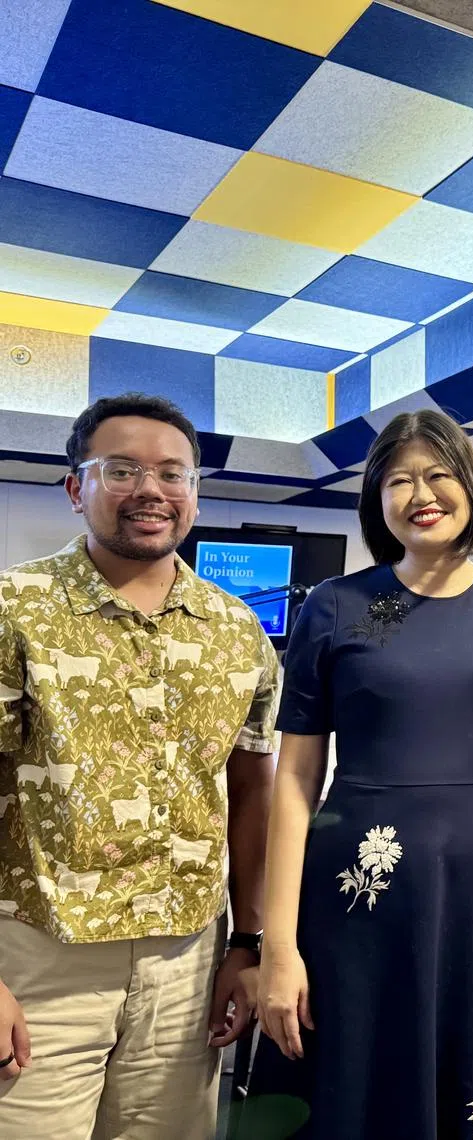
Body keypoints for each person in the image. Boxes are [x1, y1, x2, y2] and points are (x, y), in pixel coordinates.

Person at [240, 409, 473, 1139]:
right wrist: (279, 947)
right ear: (377, 500)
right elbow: (294, 785)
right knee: (353, 1092)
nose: (422, 493)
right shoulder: (337, 607)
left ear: (471, 487)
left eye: (439, 474)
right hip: (356, 899)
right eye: (400, 479)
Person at [0, 393, 279, 1139]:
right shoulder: (14, 609)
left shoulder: (237, 629)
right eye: (121, 470)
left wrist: (247, 945)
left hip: (187, 961)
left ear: (193, 493)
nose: (151, 490)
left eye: (173, 473)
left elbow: (252, 793)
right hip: (39, 956)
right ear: (75, 487)